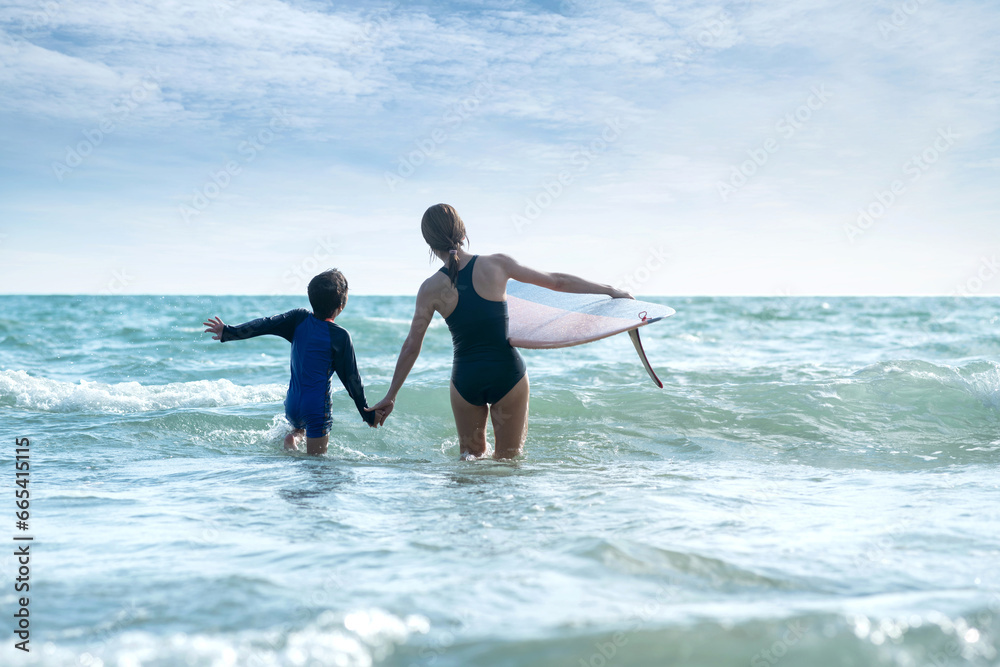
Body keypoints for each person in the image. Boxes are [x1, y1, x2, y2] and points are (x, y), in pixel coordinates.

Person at [366, 203, 632, 460]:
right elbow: (557, 282)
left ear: (428, 242)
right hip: (508, 374)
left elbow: (412, 345)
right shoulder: (498, 264)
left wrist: (391, 396)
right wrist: (611, 290)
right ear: (462, 232)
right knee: (509, 462)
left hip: (465, 379)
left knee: (469, 462)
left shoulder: (429, 289)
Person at [203, 269, 380, 455]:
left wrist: (229, 332)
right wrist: (367, 414)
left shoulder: (298, 319)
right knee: (318, 467)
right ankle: (298, 446)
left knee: (299, 431)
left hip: (293, 403)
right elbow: (352, 380)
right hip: (317, 407)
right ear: (341, 306)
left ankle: (293, 437)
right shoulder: (340, 336)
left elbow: (264, 324)